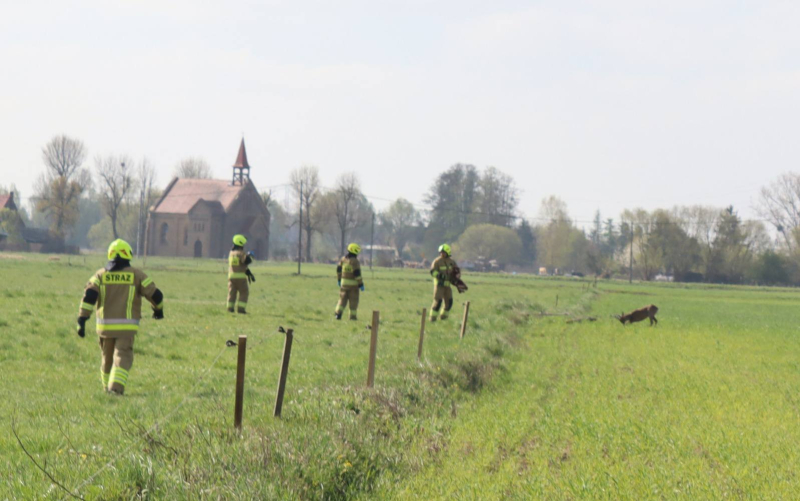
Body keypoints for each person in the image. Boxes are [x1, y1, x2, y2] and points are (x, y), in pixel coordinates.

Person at [76, 239, 165, 395]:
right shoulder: (136, 275)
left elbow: (89, 296)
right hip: (126, 328)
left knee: (107, 359)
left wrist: (82, 319)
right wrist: (158, 310)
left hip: (105, 328)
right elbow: (156, 295)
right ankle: (115, 389)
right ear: (128, 254)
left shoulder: (100, 275)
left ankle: (106, 389)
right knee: (122, 357)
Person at [335, 243, 364, 320]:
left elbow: (338, 270)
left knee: (342, 299)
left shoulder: (343, 259)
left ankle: (338, 313)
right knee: (353, 301)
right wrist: (361, 284)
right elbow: (357, 273)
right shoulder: (355, 261)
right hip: (353, 286)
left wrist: (339, 279)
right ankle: (352, 317)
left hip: (343, 285)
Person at [228, 234, 255, 314]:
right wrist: (250, 256)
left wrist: (247, 271)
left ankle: (230, 308)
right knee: (244, 292)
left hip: (231, 277)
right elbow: (246, 261)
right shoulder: (240, 253)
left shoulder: (231, 253)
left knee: (232, 293)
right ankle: (241, 309)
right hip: (240, 278)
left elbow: (239, 265)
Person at [429, 243, 457, 322]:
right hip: (439, 285)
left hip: (447, 286)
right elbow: (432, 272)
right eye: (441, 252)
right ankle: (432, 319)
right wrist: (440, 276)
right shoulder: (437, 261)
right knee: (438, 302)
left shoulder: (452, 262)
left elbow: (456, 271)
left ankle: (443, 318)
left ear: (448, 252)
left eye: (443, 252)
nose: (442, 254)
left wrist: (455, 278)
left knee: (449, 303)